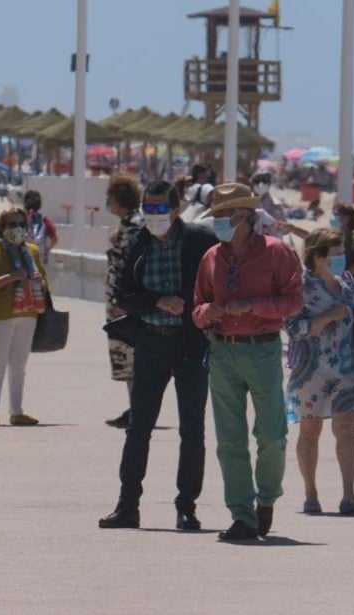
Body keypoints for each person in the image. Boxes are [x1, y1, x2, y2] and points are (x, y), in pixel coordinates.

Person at [98, 181, 218, 531]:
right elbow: (122, 292)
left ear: (177, 208)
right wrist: (155, 301)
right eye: (148, 208)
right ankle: (127, 505)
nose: (154, 215)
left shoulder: (200, 241)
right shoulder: (138, 241)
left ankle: (187, 507)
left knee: (192, 431)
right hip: (151, 343)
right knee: (139, 428)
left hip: (191, 345)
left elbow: (219, 281)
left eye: (160, 207)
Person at [193, 182, 303, 541]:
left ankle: (266, 500)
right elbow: (197, 309)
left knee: (272, 435)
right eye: (217, 216)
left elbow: (294, 302)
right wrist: (212, 311)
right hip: (223, 351)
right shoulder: (211, 258)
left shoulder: (277, 253)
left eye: (225, 216)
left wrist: (254, 305)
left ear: (244, 217)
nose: (220, 223)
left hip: (263, 349)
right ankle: (242, 514)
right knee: (230, 440)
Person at [284, 228, 354, 515]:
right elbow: (293, 328)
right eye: (335, 253)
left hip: (347, 368)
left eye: (342, 252)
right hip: (311, 371)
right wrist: (327, 317)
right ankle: (311, 493)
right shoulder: (301, 287)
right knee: (310, 431)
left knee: (346, 429)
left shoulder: (348, 283)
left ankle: (349, 496)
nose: (341, 258)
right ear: (317, 256)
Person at [0, 208, 48, 427]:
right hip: (1, 314)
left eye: (20, 224)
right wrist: (10, 278)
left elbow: (44, 283)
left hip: (27, 313)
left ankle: (16, 411)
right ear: (2, 228)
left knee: (19, 365)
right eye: (11, 224)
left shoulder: (33, 251)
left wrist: (39, 281)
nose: (17, 229)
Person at [104, 175, 143, 429]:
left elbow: (129, 267)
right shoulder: (128, 225)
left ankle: (138, 410)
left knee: (132, 358)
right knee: (129, 360)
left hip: (124, 304)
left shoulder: (133, 227)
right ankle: (135, 407)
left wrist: (122, 300)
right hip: (120, 302)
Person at [23, 190, 57, 265]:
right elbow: (54, 239)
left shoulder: (20, 219)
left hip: (24, 260)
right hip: (39, 260)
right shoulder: (45, 220)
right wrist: (47, 250)